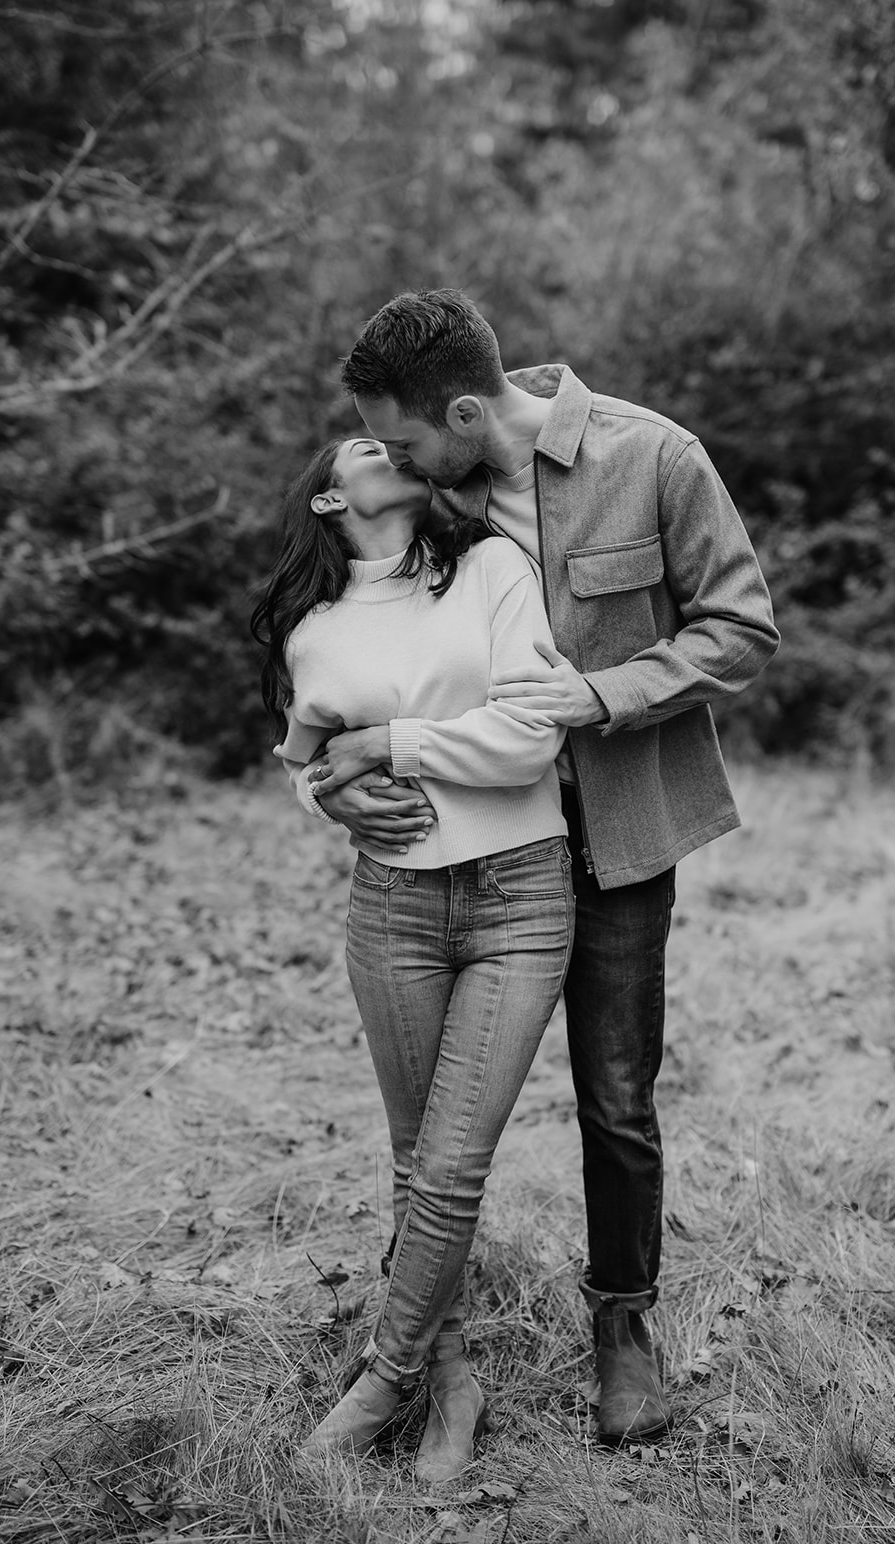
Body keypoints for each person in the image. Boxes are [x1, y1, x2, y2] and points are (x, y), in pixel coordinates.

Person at [306, 288, 780, 1445]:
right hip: (472, 853)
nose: (398, 459)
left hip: (618, 844)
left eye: (411, 438)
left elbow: (744, 627)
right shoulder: (423, 496)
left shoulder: (655, 458)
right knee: (435, 1127)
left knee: (616, 1099)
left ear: (467, 410)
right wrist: (329, 774)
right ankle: (424, 1349)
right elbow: (351, 641)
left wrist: (603, 693)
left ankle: (623, 1327)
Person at [251, 434, 576, 1482]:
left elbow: (533, 735)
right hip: (391, 909)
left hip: (519, 894)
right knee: (414, 1164)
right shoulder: (315, 628)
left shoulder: (490, 569)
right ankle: (454, 1381)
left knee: (449, 1164)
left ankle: (384, 1376)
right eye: (364, 444)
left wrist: (390, 745)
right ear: (330, 496)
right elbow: (301, 764)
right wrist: (331, 792)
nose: (394, 445)